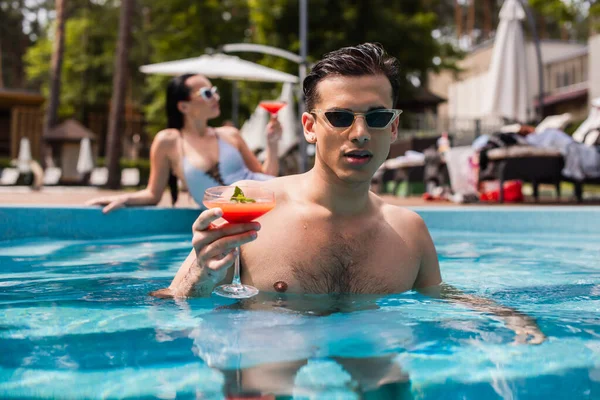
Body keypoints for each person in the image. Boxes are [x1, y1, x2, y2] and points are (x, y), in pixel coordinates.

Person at [153, 43, 545, 344]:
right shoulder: (253, 204)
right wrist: (200, 273)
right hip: (271, 357)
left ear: (393, 129)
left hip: (372, 352)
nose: (359, 132)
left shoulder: (409, 230)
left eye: (376, 118)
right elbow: (171, 302)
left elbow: (438, 295)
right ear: (309, 126)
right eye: (340, 117)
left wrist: (507, 315)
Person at [87, 74, 282, 213]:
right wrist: (123, 198)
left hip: (270, 205)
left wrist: (272, 146)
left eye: (214, 91)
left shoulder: (230, 134)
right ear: (183, 106)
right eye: (207, 93)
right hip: (228, 221)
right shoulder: (168, 142)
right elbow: (153, 194)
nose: (215, 97)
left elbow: (267, 177)